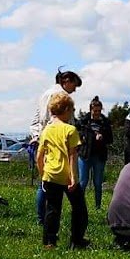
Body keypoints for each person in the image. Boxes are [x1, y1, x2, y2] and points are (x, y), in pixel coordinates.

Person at [36, 92, 90, 249]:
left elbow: (39, 156)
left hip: (50, 175)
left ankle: (49, 241)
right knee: (79, 209)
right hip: (66, 175)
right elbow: (73, 155)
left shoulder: (46, 130)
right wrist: (74, 177)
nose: (72, 113)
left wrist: (42, 174)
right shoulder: (70, 130)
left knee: (52, 209)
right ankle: (77, 240)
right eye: (72, 110)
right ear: (66, 109)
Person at [29, 68, 82, 224]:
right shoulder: (62, 97)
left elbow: (37, 118)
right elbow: (66, 121)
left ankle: (41, 218)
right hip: (59, 139)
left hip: (44, 137)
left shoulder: (44, 94)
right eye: (74, 85)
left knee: (45, 181)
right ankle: (70, 218)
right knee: (65, 182)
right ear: (66, 81)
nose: (74, 90)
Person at [77, 96, 113, 210]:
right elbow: (76, 134)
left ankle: (98, 207)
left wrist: (103, 137)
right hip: (85, 155)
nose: (97, 113)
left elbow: (110, 139)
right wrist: (82, 139)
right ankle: (79, 207)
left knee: (98, 183)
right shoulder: (83, 121)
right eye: (95, 111)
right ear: (90, 110)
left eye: (99, 111)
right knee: (83, 182)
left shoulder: (105, 122)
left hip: (99, 156)